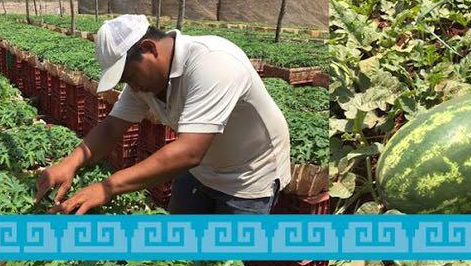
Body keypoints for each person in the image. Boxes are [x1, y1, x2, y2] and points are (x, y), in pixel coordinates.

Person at [35, 15, 291, 215]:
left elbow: (189, 151)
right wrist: (70, 162)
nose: (132, 87)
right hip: (201, 168)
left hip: (247, 176)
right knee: (181, 251)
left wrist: (108, 187)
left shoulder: (213, 63)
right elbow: (112, 127)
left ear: (149, 49)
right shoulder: (145, 80)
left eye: (130, 77)